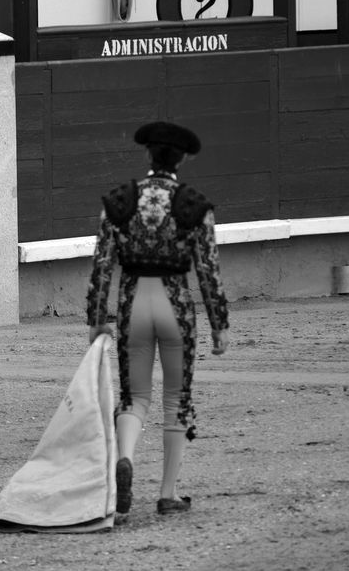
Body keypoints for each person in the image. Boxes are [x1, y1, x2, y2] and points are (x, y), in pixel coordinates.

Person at [86, 121, 229, 520]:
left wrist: (98, 317)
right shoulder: (194, 205)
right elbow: (208, 271)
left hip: (134, 303)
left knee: (135, 398)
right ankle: (168, 494)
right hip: (175, 306)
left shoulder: (119, 201)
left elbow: (101, 265)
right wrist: (219, 323)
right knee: (175, 399)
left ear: (148, 156)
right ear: (181, 159)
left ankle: (126, 459)